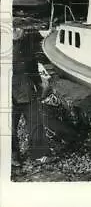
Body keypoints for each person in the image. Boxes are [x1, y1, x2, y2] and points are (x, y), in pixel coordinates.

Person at [12, 26, 53, 166]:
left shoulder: (26, 46)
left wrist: (40, 83)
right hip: (13, 92)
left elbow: (32, 67)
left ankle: (37, 154)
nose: (21, 31)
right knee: (9, 126)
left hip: (27, 89)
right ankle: (14, 154)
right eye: (17, 28)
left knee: (34, 122)